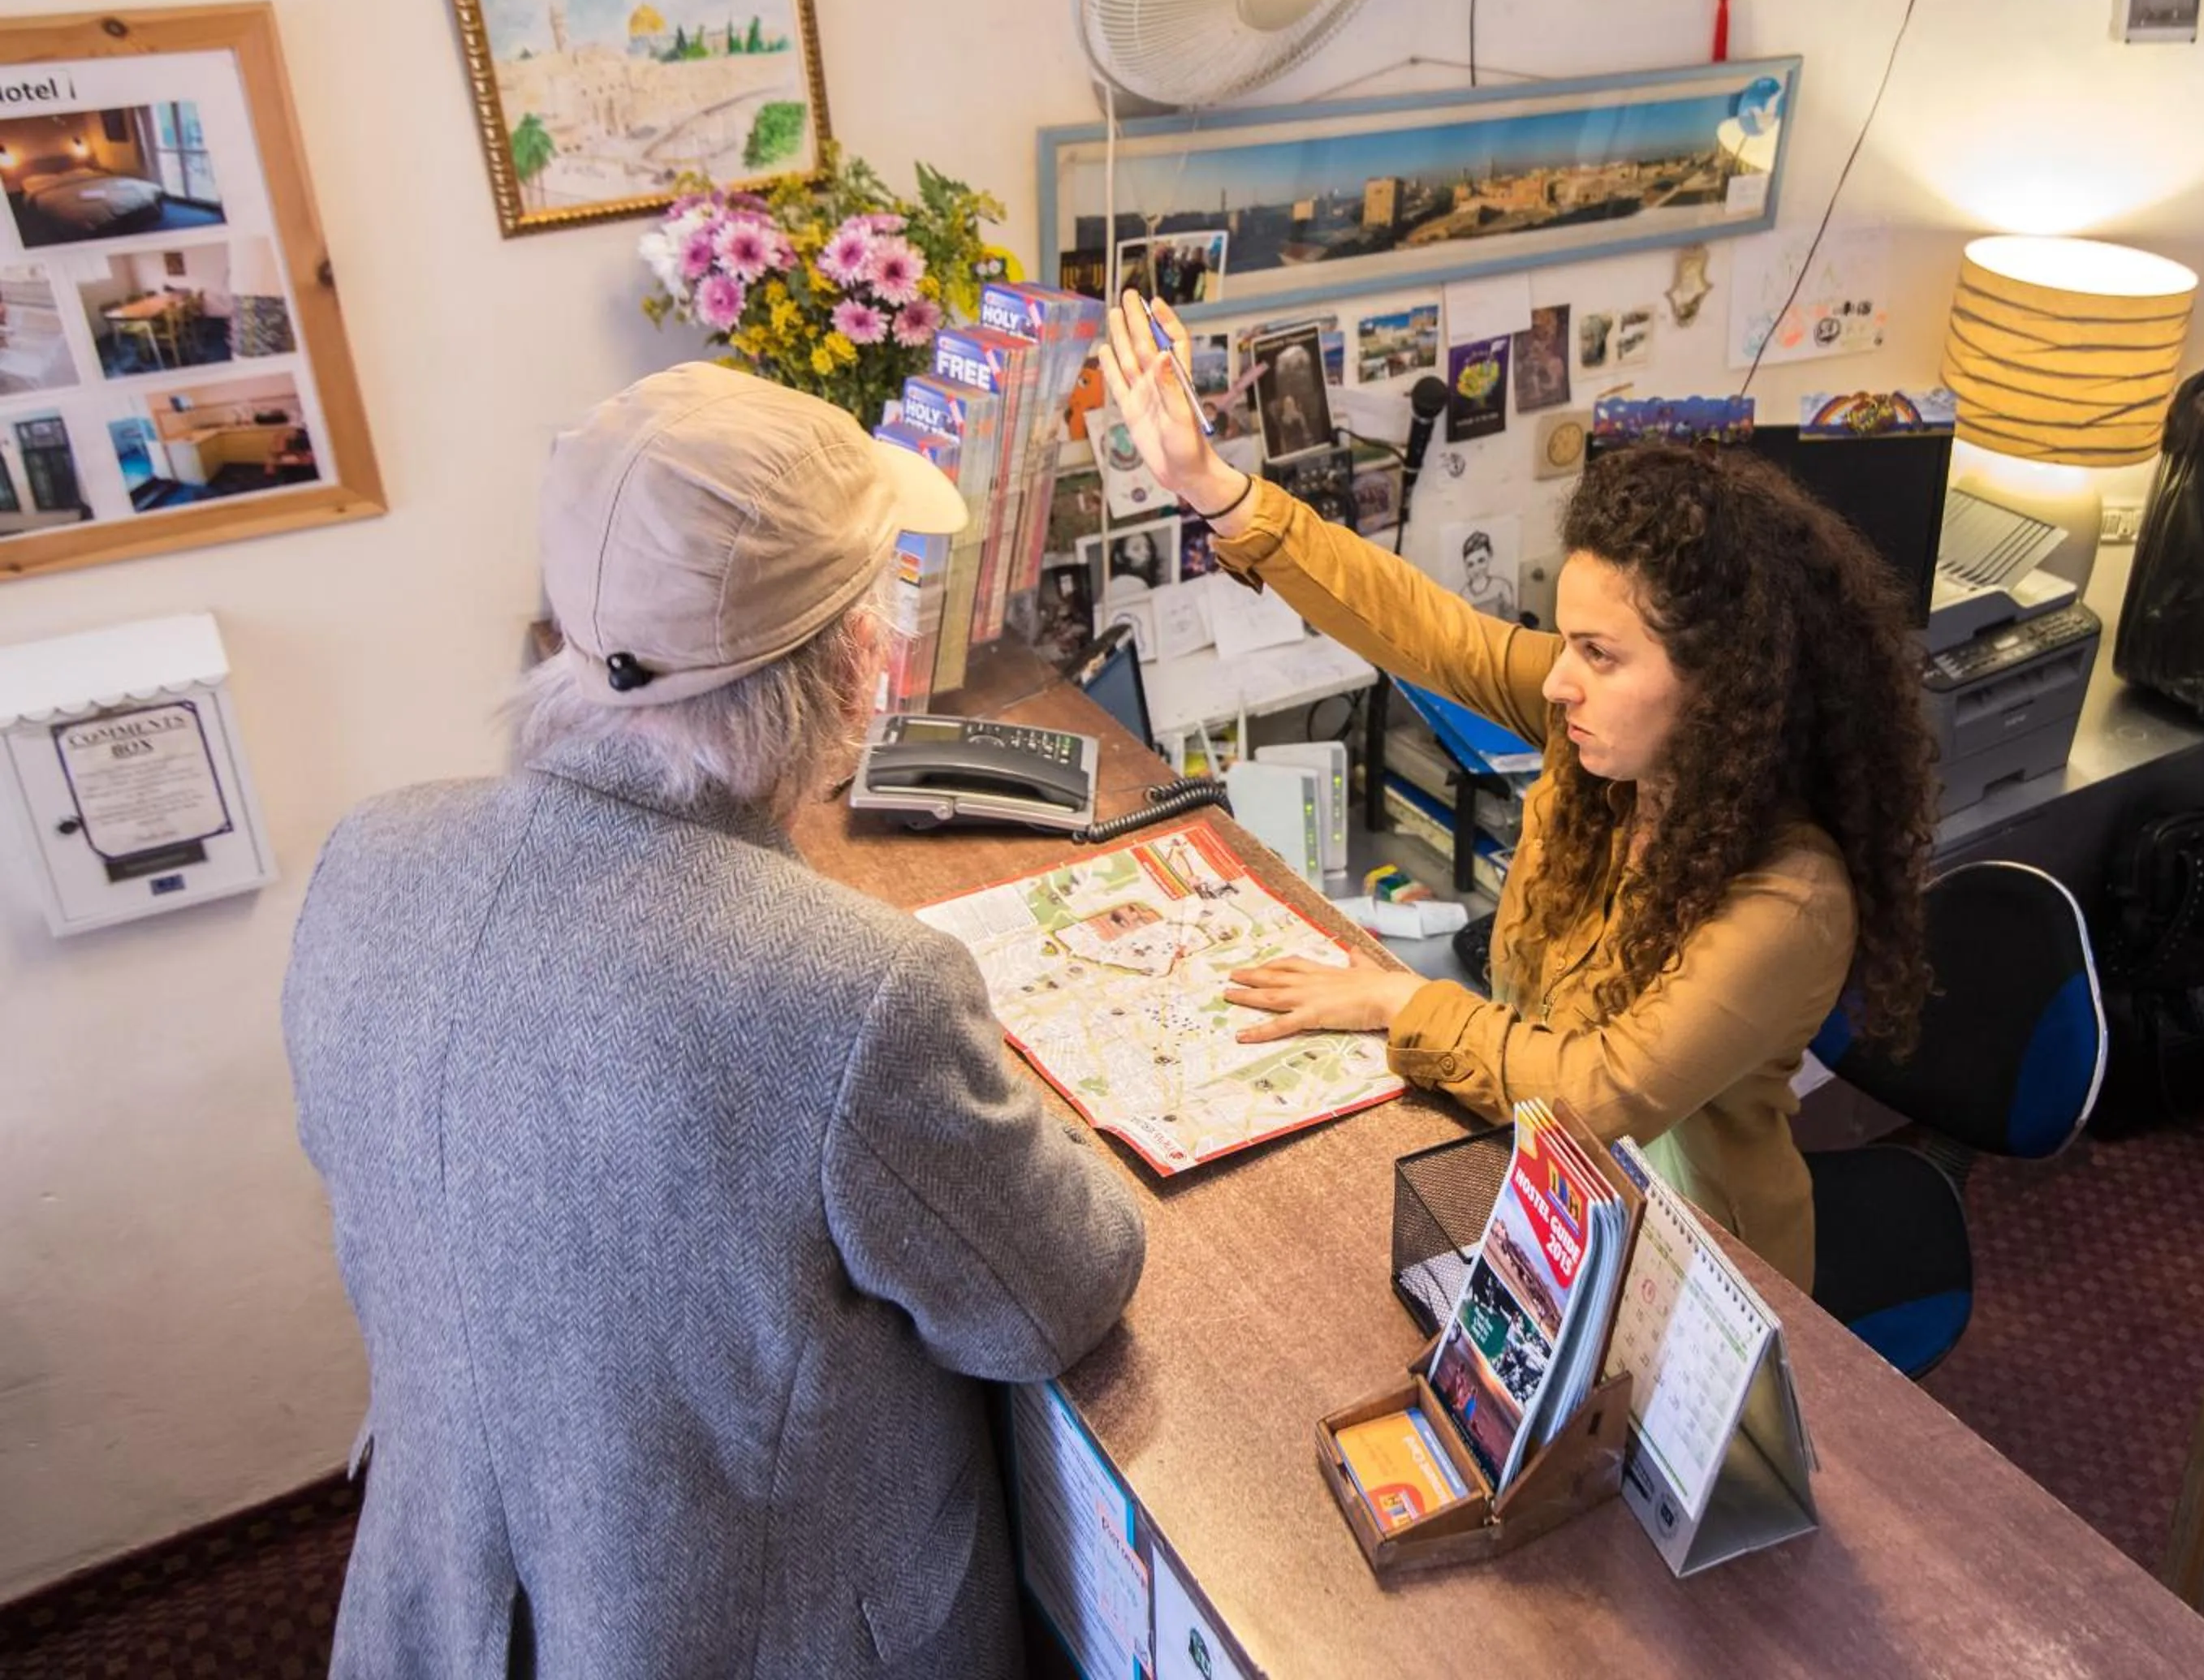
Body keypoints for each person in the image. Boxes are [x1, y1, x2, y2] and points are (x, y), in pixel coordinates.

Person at [283, 364, 1146, 1679]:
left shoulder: (365, 857)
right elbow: (1054, 1300)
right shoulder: (857, 996)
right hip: (760, 1637)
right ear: (844, 662)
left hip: (448, 1606)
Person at [1098, 291, 1934, 1291]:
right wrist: (1217, 490)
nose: (1555, 680)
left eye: (1598, 654)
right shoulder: (1605, 744)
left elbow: (1596, 1091)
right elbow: (1427, 629)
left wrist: (1404, 1001)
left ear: (1723, 687)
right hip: (1547, 1203)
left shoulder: (1794, 898)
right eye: (1562, 638)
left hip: (1696, 1270)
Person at [1457, 528, 1518, 622]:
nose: (1476, 569)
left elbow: (1513, 623)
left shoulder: (1502, 586)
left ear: (1490, 556)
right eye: (1471, 564)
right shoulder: (1463, 596)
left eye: (1481, 561)